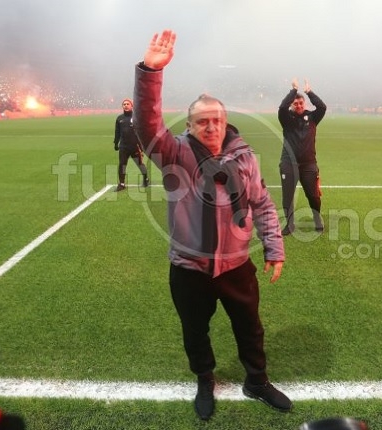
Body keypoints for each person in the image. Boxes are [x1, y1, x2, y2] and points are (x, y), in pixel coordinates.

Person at [133, 29, 292, 420]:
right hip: (189, 269)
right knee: (195, 331)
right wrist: (149, 73)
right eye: (202, 121)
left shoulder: (244, 158)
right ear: (189, 126)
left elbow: (264, 205)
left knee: (250, 328)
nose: (211, 127)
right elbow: (148, 126)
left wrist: (274, 247)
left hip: (237, 266)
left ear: (226, 123)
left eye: (217, 120)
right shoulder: (175, 156)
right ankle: (205, 379)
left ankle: (256, 380)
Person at [278, 78, 327, 235]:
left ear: (304, 104)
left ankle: (317, 218)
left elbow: (322, 106)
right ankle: (290, 225)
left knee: (313, 195)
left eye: (301, 103)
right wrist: (293, 91)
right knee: (288, 196)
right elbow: (282, 107)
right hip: (288, 163)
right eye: (295, 103)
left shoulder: (312, 118)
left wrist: (309, 92)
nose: (298, 106)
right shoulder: (286, 119)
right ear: (292, 105)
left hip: (308, 164)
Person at [113, 98, 150, 191]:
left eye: (127, 104)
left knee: (140, 164)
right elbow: (117, 132)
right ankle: (121, 184)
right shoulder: (119, 118)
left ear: (132, 106)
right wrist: (116, 143)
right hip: (123, 146)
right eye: (124, 104)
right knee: (122, 164)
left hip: (135, 146)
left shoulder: (137, 117)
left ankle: (145, 178)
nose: (125, 105)